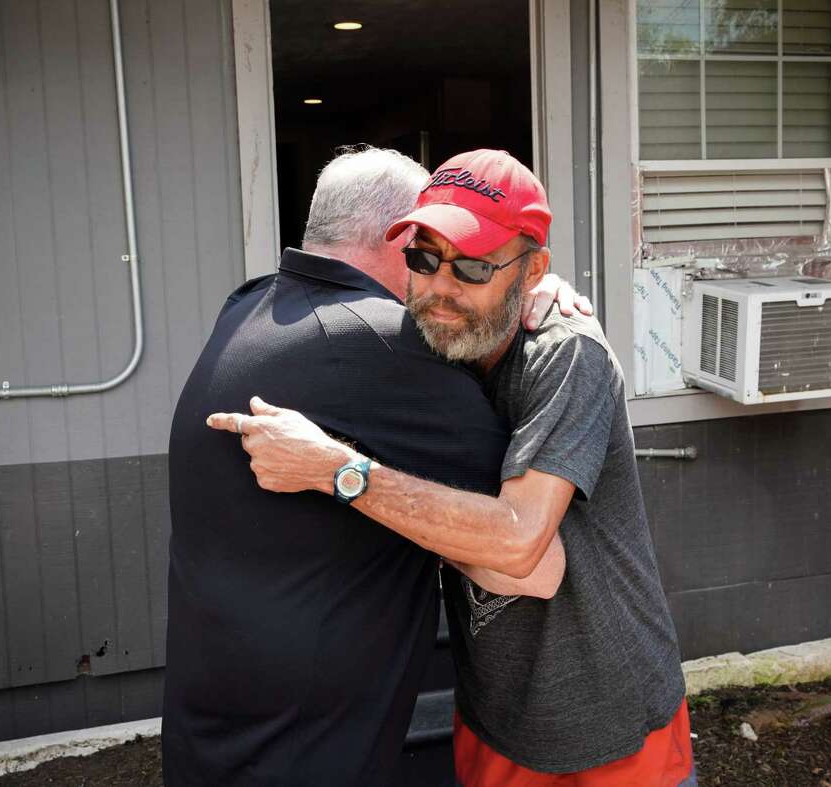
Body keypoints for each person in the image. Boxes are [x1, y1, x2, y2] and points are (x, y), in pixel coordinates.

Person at [209, 149, 694, 786]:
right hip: (495, 715)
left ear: (533, 270)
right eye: (424, 257)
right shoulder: (436, 346)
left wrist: (335, 470)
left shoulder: (565, 356)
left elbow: (522, 543)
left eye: (472, 265)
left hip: (609, 724)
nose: (440, 286)